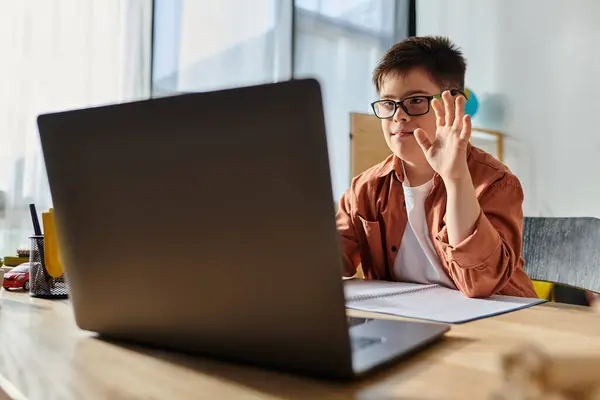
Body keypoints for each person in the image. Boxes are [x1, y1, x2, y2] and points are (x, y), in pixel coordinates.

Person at [336, 36, 537, 298]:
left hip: (502, 325)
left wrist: (455, 179)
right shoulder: (365, 189)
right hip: (411, 323)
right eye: (388, 103)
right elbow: (327, 262)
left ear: (455, 103)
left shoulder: (496, 182)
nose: (399, 115)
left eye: (416, 100)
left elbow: (481, 284)